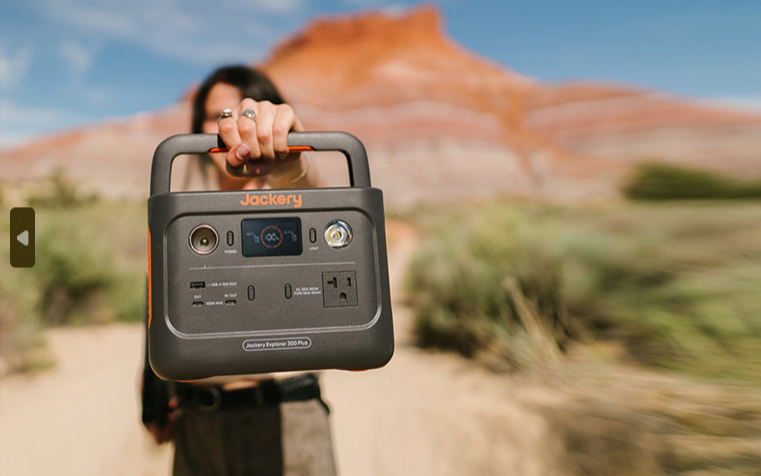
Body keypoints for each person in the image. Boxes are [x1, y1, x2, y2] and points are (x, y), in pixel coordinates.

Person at [141, 65, 336, 476]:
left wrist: (288, 158)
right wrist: (154, 392)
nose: (226, 125)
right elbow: (159, 307)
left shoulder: (290, 204)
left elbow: (308, 186)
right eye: (213, 116)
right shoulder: (183, 217)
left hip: (287, 425)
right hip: (197, 427)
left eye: (235, 112)